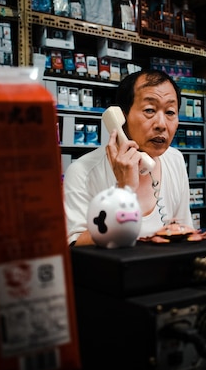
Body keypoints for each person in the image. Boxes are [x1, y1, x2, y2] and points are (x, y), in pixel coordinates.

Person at [64, 69, 193, 246]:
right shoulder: (82, 172)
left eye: (170, 112)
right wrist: (124, 192)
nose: (162, 125)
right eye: (149, 110)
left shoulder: (175, 160)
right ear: (120, 118)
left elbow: (185, 230)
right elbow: (75, 246)